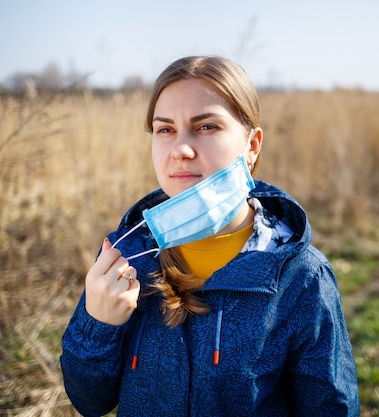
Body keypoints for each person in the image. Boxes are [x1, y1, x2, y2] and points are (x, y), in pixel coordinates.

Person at [60, 55, 360, 416]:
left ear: (252, 146)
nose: (180, 150)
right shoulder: (126, 257)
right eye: (165, 129)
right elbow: (89, 401)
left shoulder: (301, 276)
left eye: (206, 127)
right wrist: (99, 323)